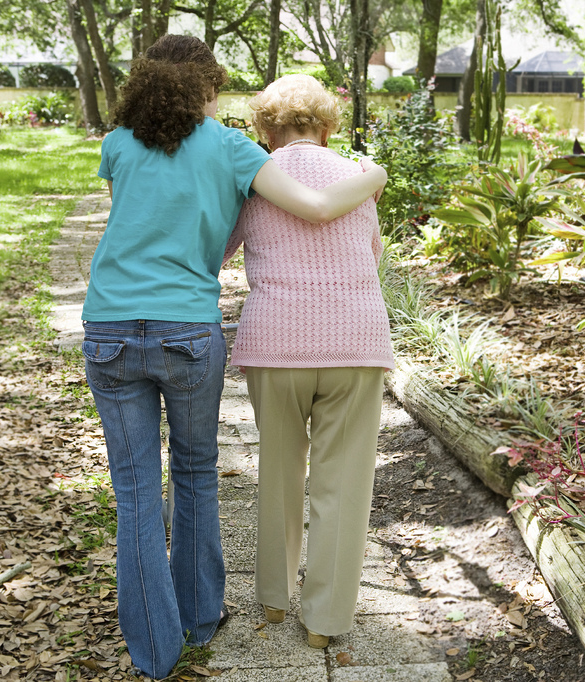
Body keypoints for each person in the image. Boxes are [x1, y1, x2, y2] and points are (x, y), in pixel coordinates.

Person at [82, 38, 386, 680]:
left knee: (140, 490)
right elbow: (337, 224)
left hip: (124, 324)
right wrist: (376, 175)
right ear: (207, 89)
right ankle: (237, 619)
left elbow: (159, 226)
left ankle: (165, 648)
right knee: (204, 472)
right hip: (223, 332)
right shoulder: (238, 153)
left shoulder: (124, 144)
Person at [223, 74, 395, 649]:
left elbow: (219, 249)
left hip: (276, 343)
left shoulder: (253, 180)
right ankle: (324, 622)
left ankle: (274, 599)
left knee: (278, 468)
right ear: (327, 127)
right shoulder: (358, 177)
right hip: (356, 342)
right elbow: (370, 254)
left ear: (265, 130)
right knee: (342, 483)